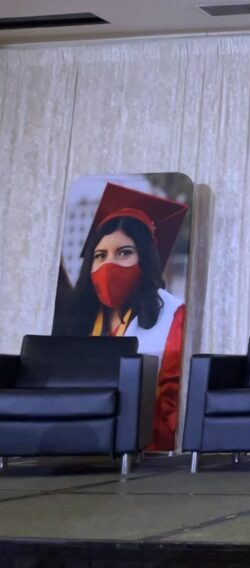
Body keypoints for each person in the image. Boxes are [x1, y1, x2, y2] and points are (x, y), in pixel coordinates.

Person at [59, 183, 189, 452]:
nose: (109, 265)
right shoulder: (78, 319)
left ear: (145, 259)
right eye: (100, 255)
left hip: (144, 448)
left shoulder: (173, 316)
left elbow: (171, 405)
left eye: (124, 253)